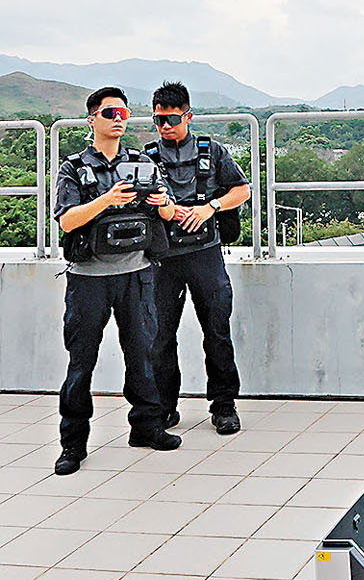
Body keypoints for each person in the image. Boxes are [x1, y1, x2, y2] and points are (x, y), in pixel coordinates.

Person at [54, 86, 182, 474]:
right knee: (82, 362)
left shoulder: (142, 162)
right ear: (92, 119)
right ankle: (73, 445)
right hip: (89, 278)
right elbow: (66, 220)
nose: (119, 120)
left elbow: (169, 212)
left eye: (124, 114)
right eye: (110, 113)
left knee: (143, 355)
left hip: (137, 273)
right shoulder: (74, 168)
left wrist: (163, 205)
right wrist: (107, 199)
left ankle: (147, 427)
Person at [147, 81, 251, 434]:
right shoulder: (147, 158)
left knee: (217, 332)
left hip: (205, 255)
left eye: (172, 119)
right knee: (160, 337)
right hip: (164, 258)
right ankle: (164, 408)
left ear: (188, 116)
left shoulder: (213, 151)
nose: (165, 127)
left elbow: (242, 190)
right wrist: (165, 208)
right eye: (159, 120)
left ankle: (223, 405)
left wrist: (210, 208)